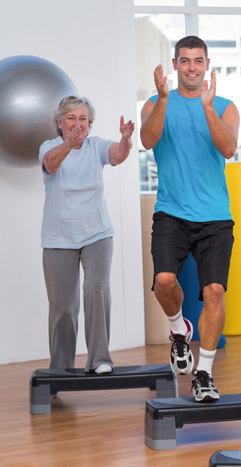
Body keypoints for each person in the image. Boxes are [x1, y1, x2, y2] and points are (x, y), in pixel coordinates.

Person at [140, 35, 240, 403]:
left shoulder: (226, 106)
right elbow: (149, 140)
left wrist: (208, 109)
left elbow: (228, 148)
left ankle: (204, 374)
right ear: (175, 63)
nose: (192, 67)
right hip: (171, 211)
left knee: (214, 291)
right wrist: (164, 100)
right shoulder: (154, 103)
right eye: (185, 61)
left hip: (215, 216)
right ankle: (178, 329)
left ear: (207, 64)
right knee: (164, 282)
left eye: (198, 61)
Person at [39, 95, 134, 374]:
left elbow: (117, 154)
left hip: (97, 235)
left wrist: (126, 139)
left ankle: (100, 359)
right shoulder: (50, 146)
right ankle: (60, 368)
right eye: (71, 118)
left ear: (89, 124)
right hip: (58, 239)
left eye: (83, 119)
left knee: (97, 291)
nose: (77, 124)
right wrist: (69, 143)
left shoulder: (96, 147)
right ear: (60, 123)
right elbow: (51, 165)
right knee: (63, 307)